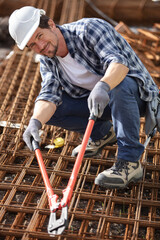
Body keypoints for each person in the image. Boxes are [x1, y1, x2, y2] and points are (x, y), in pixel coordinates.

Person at [8, 6, 159, 189]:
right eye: (32, 45)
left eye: (39, 36)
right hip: (99, 102)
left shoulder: (88, 30)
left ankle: (129, 162)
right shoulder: (48, 61)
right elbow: (48, 95)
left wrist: (103, 85)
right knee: (51, 109)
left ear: (51, 24)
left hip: (136, 96)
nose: (40, 46)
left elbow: (118, 63)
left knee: (120, 85)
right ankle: (103, 134)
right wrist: (35, 122)